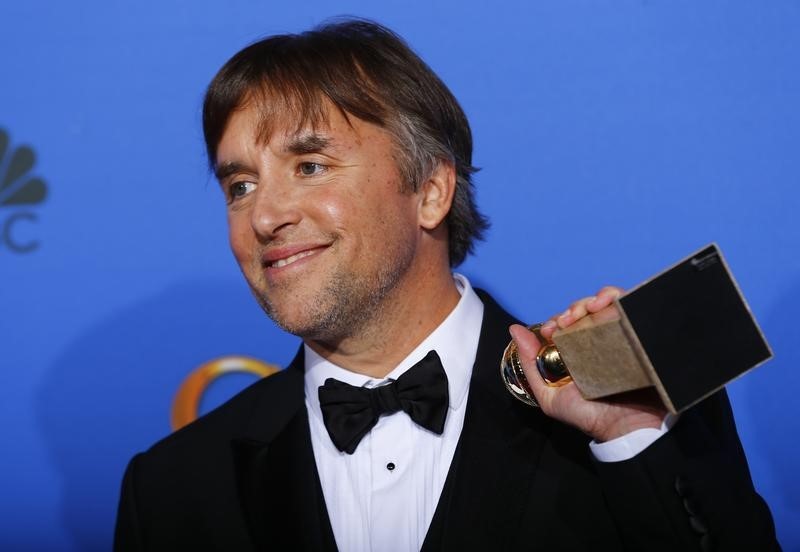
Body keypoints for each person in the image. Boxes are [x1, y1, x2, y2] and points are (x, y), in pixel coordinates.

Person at [114, 19, 779, 551]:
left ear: (430, 191)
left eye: (310, 165)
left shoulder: (636, 412)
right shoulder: (174, 485)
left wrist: (627, 439)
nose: (264, 216)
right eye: (240, 186)